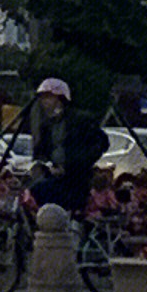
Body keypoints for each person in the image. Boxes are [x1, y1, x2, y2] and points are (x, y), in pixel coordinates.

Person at [27, 73, 108, 217]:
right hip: (55, 176)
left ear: (60, 99)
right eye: (43, 98)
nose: (45, 102)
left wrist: (75, 164)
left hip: (76, 180)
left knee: (42, 191)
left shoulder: (79, 120)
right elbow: (43, 152)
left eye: (49, 97)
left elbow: (101, 143)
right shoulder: (47, 125)